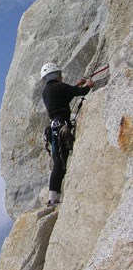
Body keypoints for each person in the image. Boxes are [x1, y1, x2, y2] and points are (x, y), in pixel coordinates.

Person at [40, 63, 95, 206]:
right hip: (61, 127)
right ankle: (53, 198)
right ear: (56, 75)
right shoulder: (60, 87)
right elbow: (81, 92)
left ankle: (54, 197)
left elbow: (64, 96)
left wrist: (77, 84)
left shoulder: (46, 91)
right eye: (59, 74)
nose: (61, 76)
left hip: (54, 128)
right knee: (60, 164)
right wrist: (88, 85)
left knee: (59, 161)